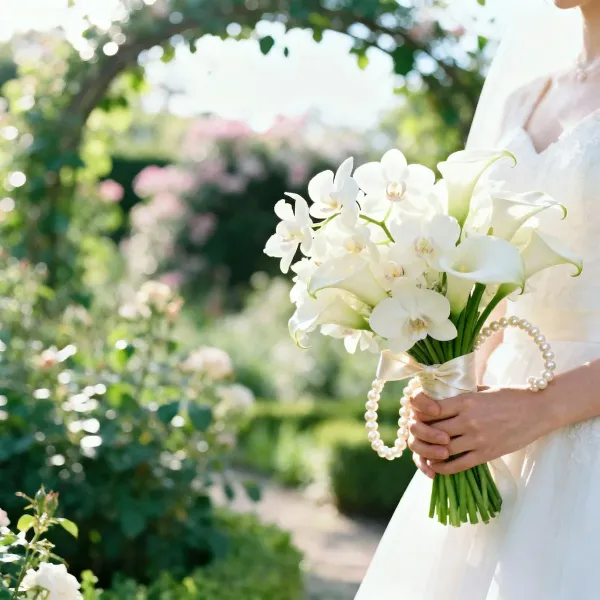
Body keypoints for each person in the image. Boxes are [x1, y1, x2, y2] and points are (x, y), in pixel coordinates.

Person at [355, 1, 600, 598]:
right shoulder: (523, 100)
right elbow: (485, 276)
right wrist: (450, 389)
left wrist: (539, 410)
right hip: (494, 431)